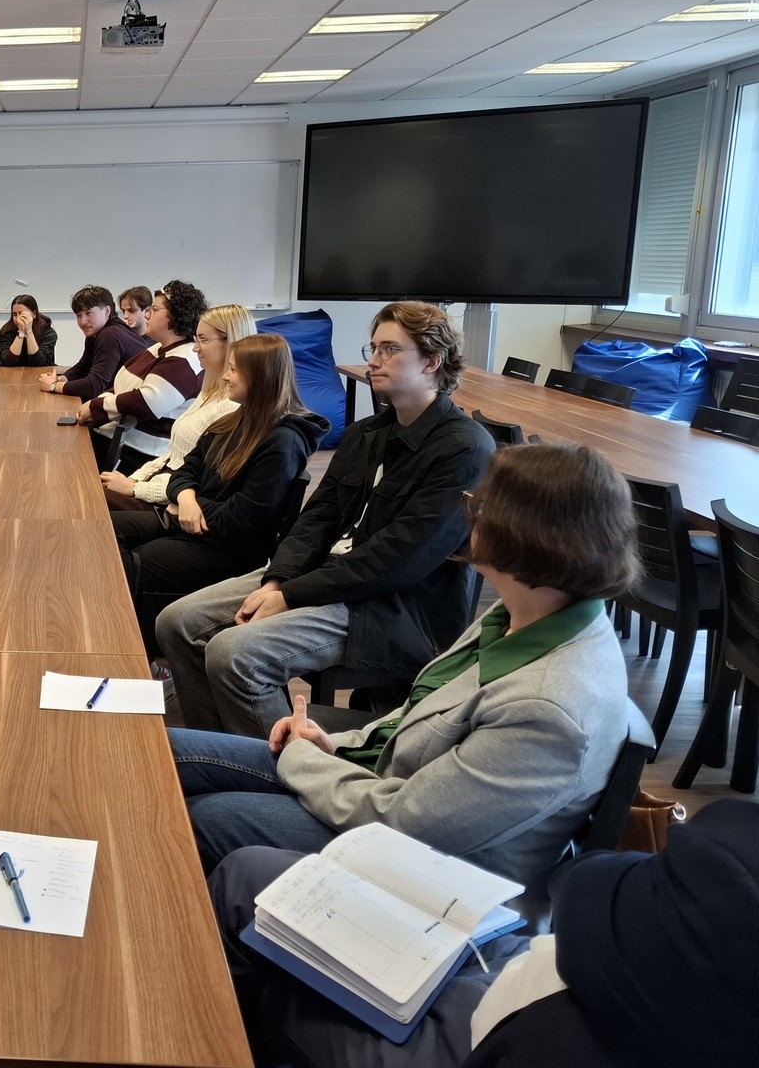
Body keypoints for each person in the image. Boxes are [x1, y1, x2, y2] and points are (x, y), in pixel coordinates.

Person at [168, 441, 637, 897]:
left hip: (431, 867)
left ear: (521, 535)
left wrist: (302, 759)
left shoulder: (548, 708)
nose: (469, 516)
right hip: (386, 786)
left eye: (478, 506)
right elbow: (421, 715)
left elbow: (406, 823)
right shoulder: (527, 613)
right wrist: (335, 745)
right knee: (168, 754)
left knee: (202, 817)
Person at [209, 798, 759, 1068]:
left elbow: (414, 810)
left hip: (508, 1032)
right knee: (248, 870)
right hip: (534, 959)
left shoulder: (553, 696)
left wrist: (308, 759)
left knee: (253, 912)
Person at [158, 301, 495, 738]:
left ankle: (280, 767)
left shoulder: (464, 448)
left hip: (391, 607)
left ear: (432, 361)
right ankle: (220, 748)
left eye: (390, 349)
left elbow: (398, 560)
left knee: (232, 654)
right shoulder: (366, 433)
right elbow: (316, 519)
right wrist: (278, 580)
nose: (374, 360)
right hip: (324, 577)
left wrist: (292, 594)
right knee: (177, 622)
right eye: (374, 347)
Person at [112, 334, 328, 655]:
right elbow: (185, 470)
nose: (225, 376)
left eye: (234, 370)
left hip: (227, 549)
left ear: (261, 377)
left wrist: (191, 504)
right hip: (193, 526)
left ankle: (139, 653)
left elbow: (242, 521)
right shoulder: (231, 421)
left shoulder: (282, 443)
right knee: (105, 530)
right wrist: (185, 498)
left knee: (132, 562)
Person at [101, 303, 255, 513]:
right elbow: (172, 456)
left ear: (230, 342)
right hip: (158, 486)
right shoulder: (209, 391)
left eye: (203, 340)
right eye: (196, 339)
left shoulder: (231, 408)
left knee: (88, 499)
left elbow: (197, 482)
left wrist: (135, 488)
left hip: (170, 504)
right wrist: (134, 480)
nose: (195, 348)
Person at [79, 279, 208, 469]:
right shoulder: (159, 349)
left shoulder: (183, 360)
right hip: (114, 440)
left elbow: (146, 401)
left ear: (174, 316)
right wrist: (99, 403)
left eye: (154, 310)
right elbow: (122, 386)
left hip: (137, 455)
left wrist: (96, 407)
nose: (147, 314)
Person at [38, 284, 148, 399]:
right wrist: (60, 379)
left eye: (88, 313)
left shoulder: (110, 335)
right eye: (79, 315)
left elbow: (95, 386)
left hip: (138, 403)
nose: (83, 321)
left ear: (107, 311)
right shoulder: (97, 331)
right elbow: (84, 366)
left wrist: (54, 386)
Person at [0, 293, 58, 367]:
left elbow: (38, 362)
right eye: (15, 314)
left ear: (34, 314)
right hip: (10, 372)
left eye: (22, 314)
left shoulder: (48, 332)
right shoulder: (7, 331)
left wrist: (29, 332)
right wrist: (21, 333)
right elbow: (9, 362)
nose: (18, 319)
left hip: (39, 372)